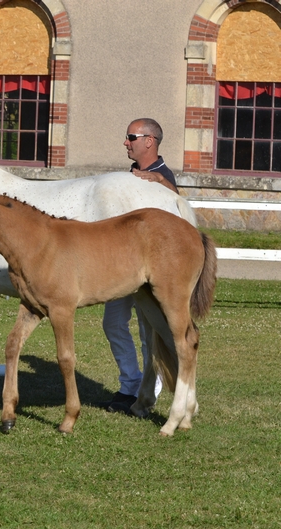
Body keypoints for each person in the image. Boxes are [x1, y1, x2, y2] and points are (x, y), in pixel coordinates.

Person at [102, 118, 178, 414]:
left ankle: (151, 390)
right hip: (121, 266)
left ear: (149, 141)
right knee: (112, 324)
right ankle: (130, 383)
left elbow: (177, 213)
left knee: (151, 331)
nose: (125, 142)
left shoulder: (162, 175)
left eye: (131, 137)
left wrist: (165, 185)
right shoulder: (131, 175)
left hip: (151, 269)